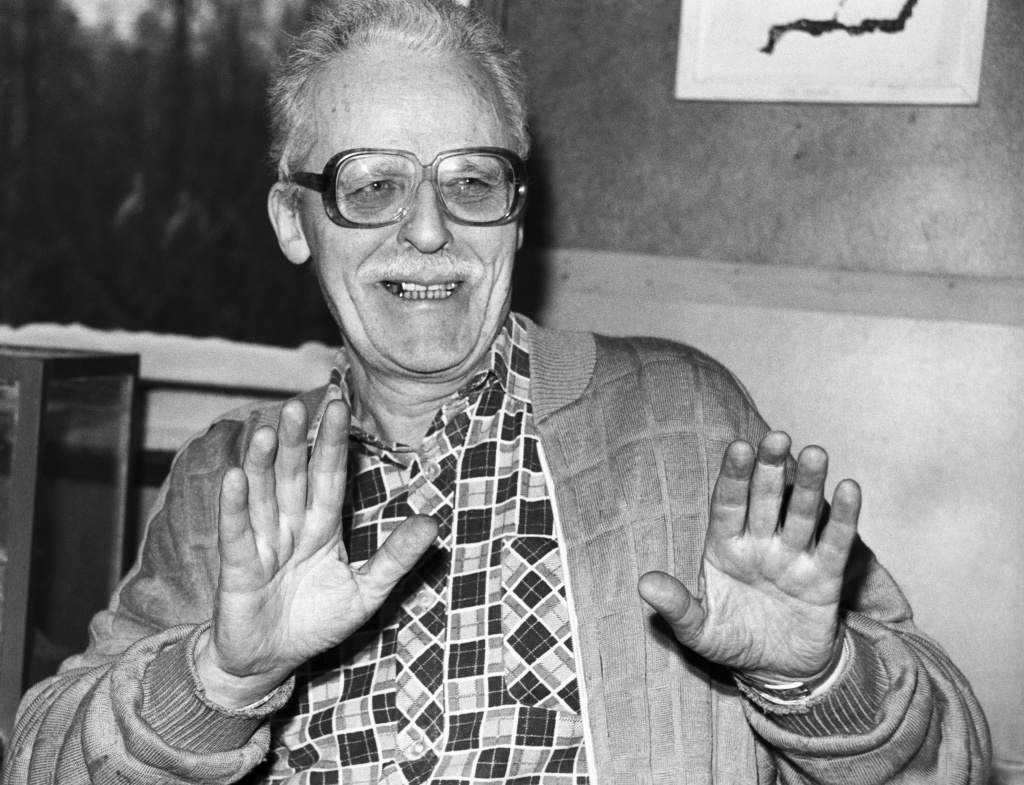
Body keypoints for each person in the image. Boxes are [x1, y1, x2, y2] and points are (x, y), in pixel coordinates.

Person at [3, 0, 991, 782]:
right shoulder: (234, 477)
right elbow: (43, 755)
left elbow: (957, 756)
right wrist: (220, 681)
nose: (428, 229)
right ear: (295, 221)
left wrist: (814, 678)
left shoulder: (683, 421)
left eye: (471, 181)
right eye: (373, 184)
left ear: (516, 217)